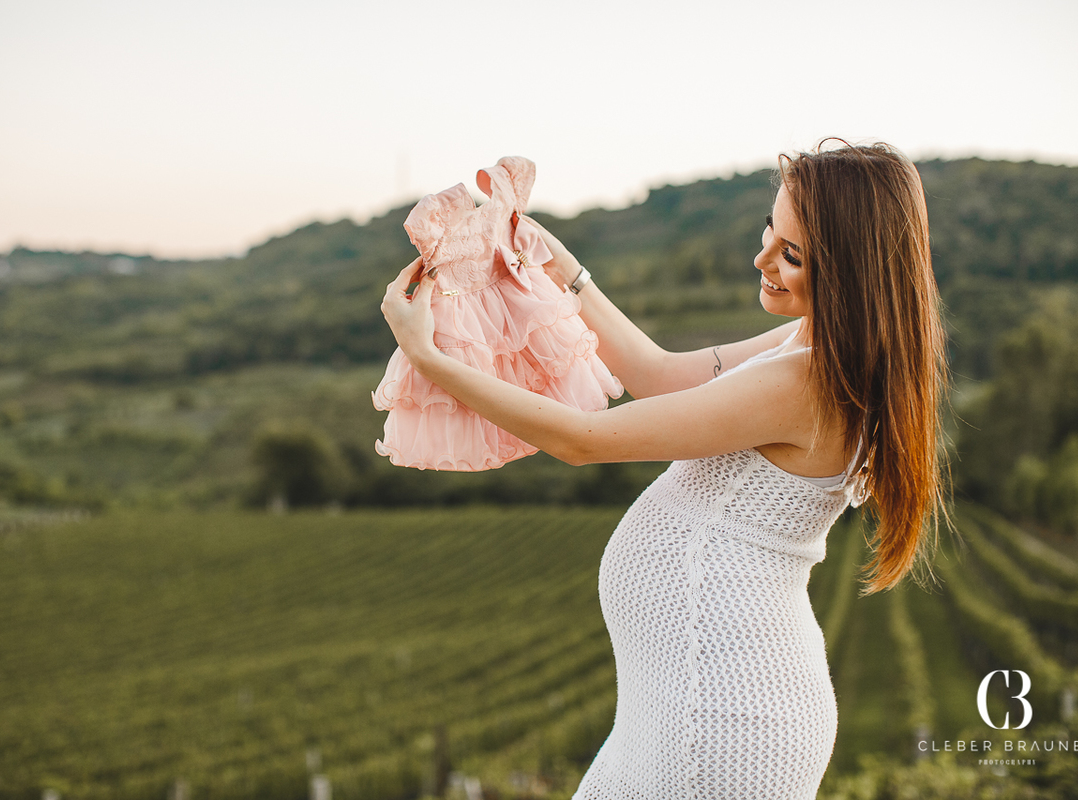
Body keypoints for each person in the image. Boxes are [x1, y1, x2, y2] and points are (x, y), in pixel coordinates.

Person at [380, 140, 947, 799]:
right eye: (771, 229)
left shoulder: (809, 381)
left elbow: (583, 439)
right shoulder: (815, 342)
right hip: (689, 703)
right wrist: (557, 262)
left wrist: (430, 359)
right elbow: (656, 375)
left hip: (724, 718)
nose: (762, 258)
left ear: (853, 271)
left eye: (792, 254)